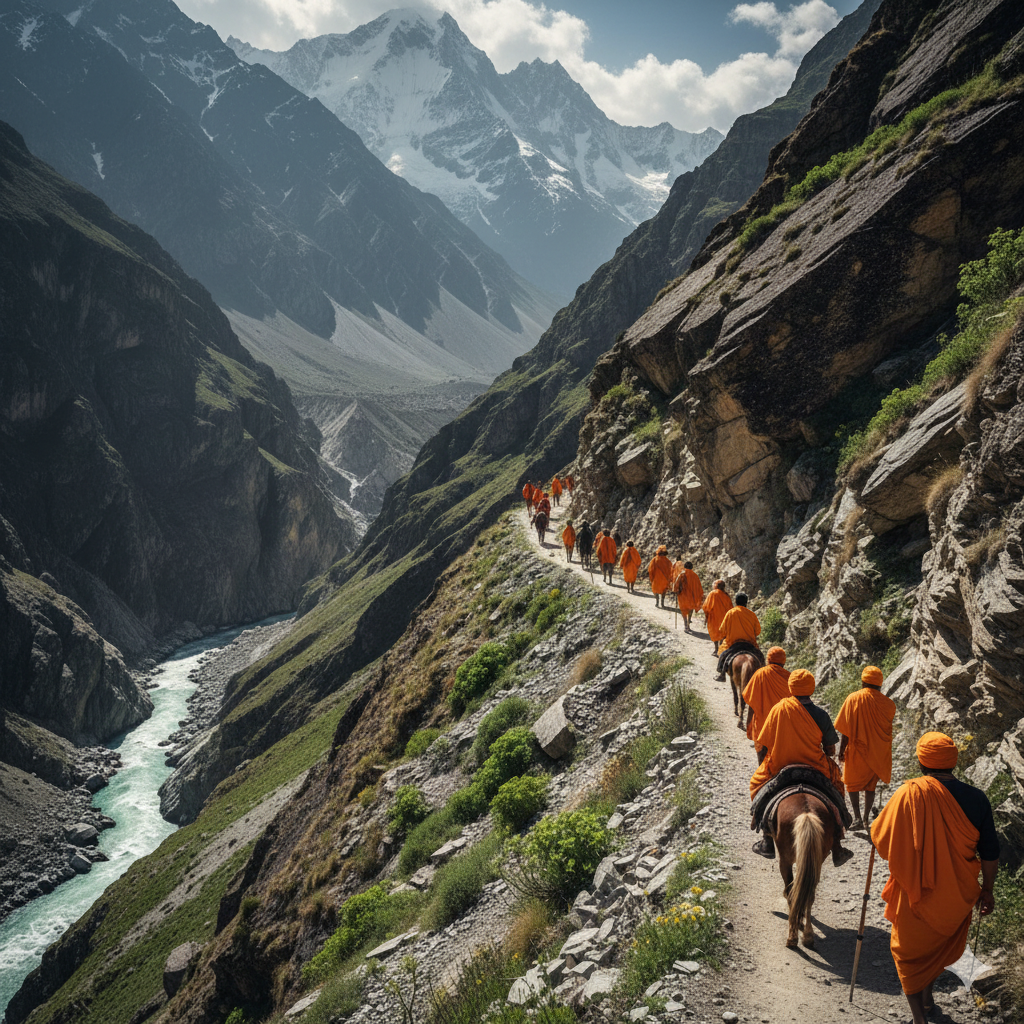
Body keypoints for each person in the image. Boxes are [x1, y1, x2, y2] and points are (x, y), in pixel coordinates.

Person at [872, 732, 998, 1024]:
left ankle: (919, 1018)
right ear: (952, 762)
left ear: (921, 761)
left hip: (917, 890)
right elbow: (990, 852)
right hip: (957, 893)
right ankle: (927, 1000)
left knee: (908, 953)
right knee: (936, 946)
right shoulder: (977, 799)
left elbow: (880, 838)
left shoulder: (909, 792)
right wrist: (987, 890)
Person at [749, 668, 853, 866]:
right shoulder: (821, 715)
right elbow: (830, 749)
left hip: (781, 765)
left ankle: (767, 840)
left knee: (756, 784)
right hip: (816, 767)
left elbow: (764, 743)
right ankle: (838, 841)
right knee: (838, 788)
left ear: (790, 687)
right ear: (811, 688)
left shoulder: (779, 709)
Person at [835, 665, 896, 829]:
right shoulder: (888, 704)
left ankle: (856, 817)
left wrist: (841, 751)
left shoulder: (852, 699)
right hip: (877, 752)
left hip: (856, 750)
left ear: (863, 683)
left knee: (851, 784)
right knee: (871, 786)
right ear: (880, 685)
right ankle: (866, 818)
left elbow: (845, 729)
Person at [742, 646, 790, 764]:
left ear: (768, 660)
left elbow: (752, 702)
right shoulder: (789, 678)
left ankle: (762, 780)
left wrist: (748, 722)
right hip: (783, 728)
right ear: (783, 661)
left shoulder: (760, 674)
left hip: (763, 726)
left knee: (762, 762)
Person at [715, 593, 761, 681]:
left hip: (733, 644)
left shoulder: (730, 613)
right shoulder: (752, 614)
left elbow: (722, 630)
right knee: (761, 658)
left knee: (722, 654)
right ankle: (762, 677)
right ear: (746, 603)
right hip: (749, 644)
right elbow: (758, 631)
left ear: (735, 602)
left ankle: (722, 674)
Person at [702, 580, 732, 656]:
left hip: (714, 618)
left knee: (714, 633)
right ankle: (720, 649)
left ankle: (716, 649)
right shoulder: (726, 596)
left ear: (716, 586)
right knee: (722, 634)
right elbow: (731, 608)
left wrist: (706, 617)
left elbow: (706, 606)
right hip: (724, 619)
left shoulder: (713, 593)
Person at [673, 560, 704, 632]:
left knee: (683, 610)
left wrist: (675, 591)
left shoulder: (681, 574)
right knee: (690, 608)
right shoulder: (695, 576)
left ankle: (686, 626)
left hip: (682, 596)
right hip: (691, 596)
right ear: (692, 567)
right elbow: (699, 587)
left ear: (684, 567)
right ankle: (689, 622)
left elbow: (676, 584)